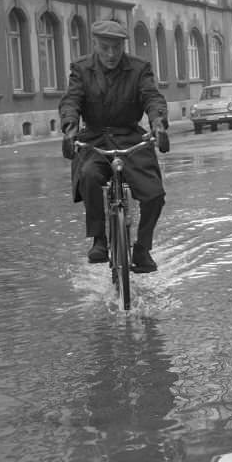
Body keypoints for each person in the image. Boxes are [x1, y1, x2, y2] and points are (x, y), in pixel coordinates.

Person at [59, 19, 169, 272]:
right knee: (88, 176)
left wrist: (158, 122)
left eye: (117, 48)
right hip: (94, 139)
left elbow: (152, 96)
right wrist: (70, 127)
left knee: (154, 194)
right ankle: (99, 240)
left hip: (130, 138)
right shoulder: (81, 69)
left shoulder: (140, 68)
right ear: (95, 44)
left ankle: (142, 249)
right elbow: (71, 100)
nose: (111, 54)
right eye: (105, 47)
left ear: (123, 46)